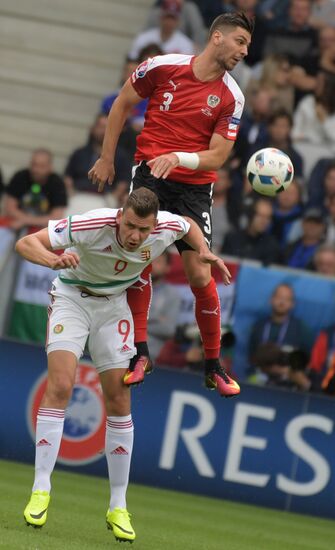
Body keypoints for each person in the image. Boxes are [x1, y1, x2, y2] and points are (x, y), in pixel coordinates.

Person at [15, 187, 232, 542]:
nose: (136, 237)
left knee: (119, 399)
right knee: (61, 385)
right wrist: (53, 260)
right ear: (120, 216)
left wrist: (204, 250)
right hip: (72, 298)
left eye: (143, 231)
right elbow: (25, 243)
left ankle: (118, 506)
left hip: (114, 306)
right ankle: (41, 490)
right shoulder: (91, 224)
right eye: (130, 226)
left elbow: (189, 223)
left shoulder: (164, 226)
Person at [88, 12, 254, 397]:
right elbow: (121, 104)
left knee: (200, 274)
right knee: (138, 256)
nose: (245, 51)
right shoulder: (162, 67)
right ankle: (141, 352)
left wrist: (180, 158)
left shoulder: (233, 96)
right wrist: (107, 157)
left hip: (194, 189)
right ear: (217, 37)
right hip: (150, 178)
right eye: (241, 42)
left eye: (247, 46)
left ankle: (213, 365)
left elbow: (217, 157)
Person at [248, 283, 312, 386]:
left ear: (293, 304)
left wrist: (287, 371)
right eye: (279, 297)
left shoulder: (301, 329)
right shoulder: (258, 326)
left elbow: (307, 361)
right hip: (260, 379)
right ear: (271, 300)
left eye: (287, 299)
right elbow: (251, 356)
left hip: (289, 383)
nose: (282, 302)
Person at [3, 149, 67, 230]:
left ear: (50, 167)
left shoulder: (57, 183)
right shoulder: (20, 176)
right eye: (34, 165)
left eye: (41, 166)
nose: (36, 170)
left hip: (41, 228)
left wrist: (25, 221)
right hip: (15, 223)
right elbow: (9, 208)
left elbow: (56, 217)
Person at [128, 0, 195, 61]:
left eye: (173, 18)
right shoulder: (144, 38)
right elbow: (132, 62)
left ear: (178, 21)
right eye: (166, 17)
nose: (169, 22)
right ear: (160, 17)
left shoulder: (185, 44)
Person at [222, 197, 282, 265]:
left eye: (268, 217)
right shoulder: (231, 239)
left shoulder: (272, 246)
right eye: (260, 215)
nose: (264, 221)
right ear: (251, 215)